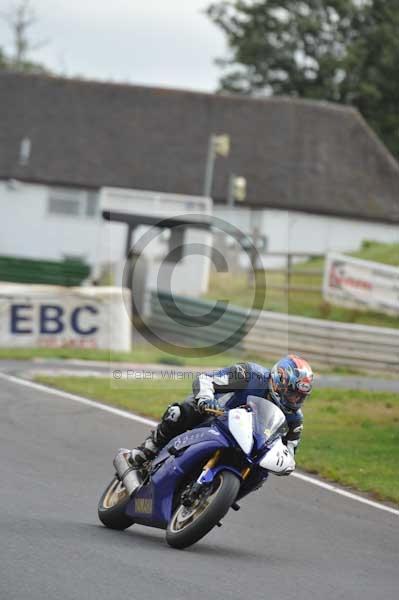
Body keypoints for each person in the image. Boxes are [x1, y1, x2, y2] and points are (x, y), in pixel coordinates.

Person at [129, 354, 314, 473]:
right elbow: (207, 379)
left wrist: (285, 464)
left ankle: (219, 497)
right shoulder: (250, 374)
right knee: (179, 412)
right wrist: (206, 399)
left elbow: (289, 453)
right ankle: (150, 448)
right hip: (216, 419)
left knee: (262, 473)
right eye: (292, 393)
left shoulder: (295, 419)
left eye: (300, 397)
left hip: (250, 448)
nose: (294, 400)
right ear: (278, 381)